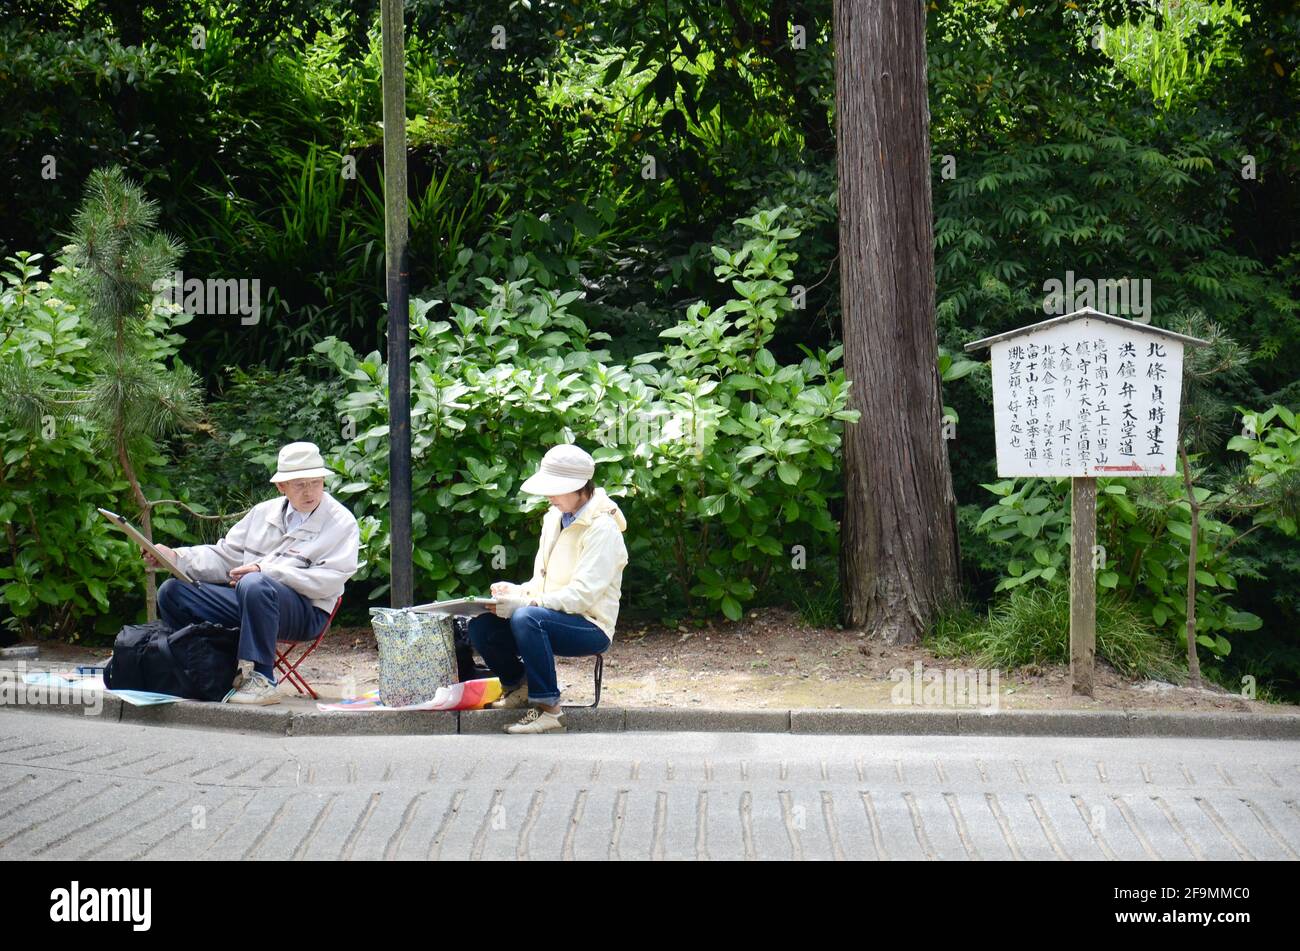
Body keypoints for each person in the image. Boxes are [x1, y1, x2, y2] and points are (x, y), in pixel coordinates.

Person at [144, 442, 360, 705]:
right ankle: (203, 669)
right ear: (282, 486)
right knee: (173, 591)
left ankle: (263, 679)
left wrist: (266, 571)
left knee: (255, 583)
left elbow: (329, 582)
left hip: (305, 612)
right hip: (251, 600)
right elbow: (224, 556)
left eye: (316, 483)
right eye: (300, 484)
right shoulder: (262, 513)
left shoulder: (341, 522)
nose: (310, 492)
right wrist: (176, 556)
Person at [470, 443, 629, 734]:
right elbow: (541, 584)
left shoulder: (602, 529)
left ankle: (550, 711)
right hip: (549, 615)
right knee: (481, 623)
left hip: (591, 626)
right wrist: (516, 592)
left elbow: (581, 597)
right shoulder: (553, 519)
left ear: (581, 487)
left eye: (557, 488)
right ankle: (518, 685)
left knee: (527, 617)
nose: (549, 495)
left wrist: (527, 605)